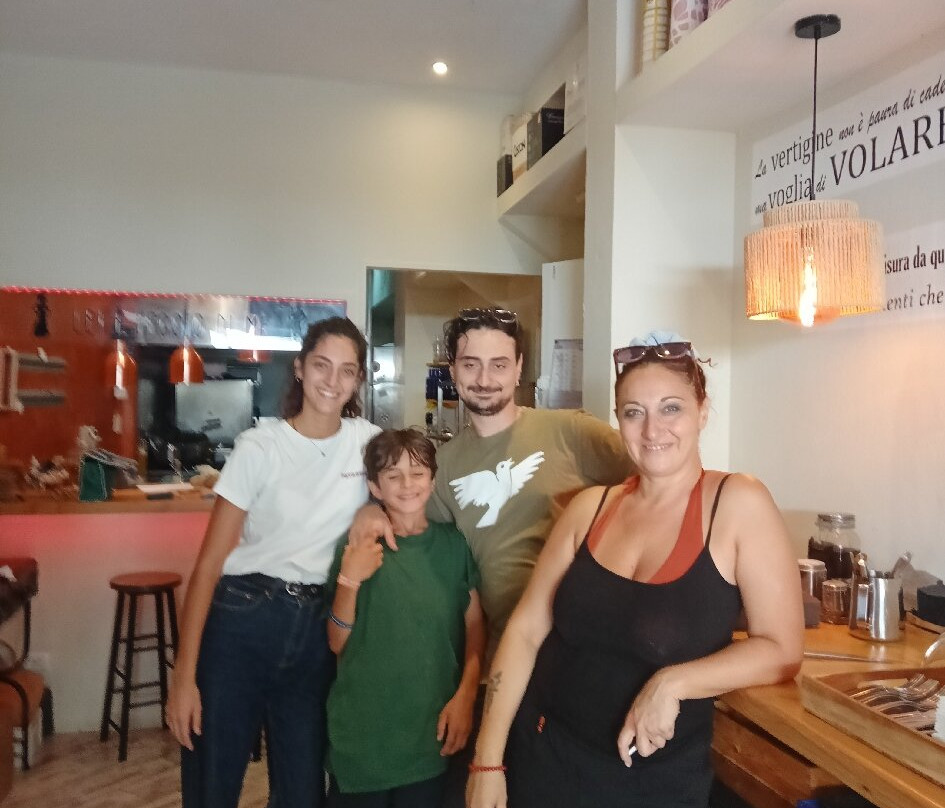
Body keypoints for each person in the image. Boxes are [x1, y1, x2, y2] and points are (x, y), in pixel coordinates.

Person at [466, 332, 804, 808]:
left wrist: (673, 683)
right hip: (543, 756)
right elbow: (524, 633)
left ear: (702, 412)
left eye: (671, 408)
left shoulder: (738, 503)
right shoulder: (589, 509)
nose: (652, 430)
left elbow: (782, 650)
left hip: (651, 782)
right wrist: (486, 762)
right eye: (633, 412)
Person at [349, 307, 633, 806]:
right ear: (453, 370)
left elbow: (656, 488)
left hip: (582, 659)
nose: (485, 378)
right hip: (503, 665)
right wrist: (370, 512)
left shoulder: (572, 432)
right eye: (471, 364)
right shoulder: (443, 467)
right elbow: (416, 533)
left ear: (519, 367)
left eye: (499, 364)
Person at [167, 316, 381, 808]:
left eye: (347, 370)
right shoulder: (260, 447)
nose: (332, 380)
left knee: (303, 793)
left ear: (357, 381)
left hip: (316, 634)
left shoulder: (368, 442)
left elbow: (407, 487)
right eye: (322, 365)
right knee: (213, 785)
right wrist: (184, 676)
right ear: (300, 369)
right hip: (242, 621)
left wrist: (373, 511)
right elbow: (208, 565)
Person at [324, 428, 485, 807]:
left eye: (417, 473)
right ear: (375, 488)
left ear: (432, 480)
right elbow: (336, 641)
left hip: (429, 736)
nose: (407, 484)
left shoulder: (453, 544)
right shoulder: (357, 545)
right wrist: (349, 580)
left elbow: (476, 626)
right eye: (393, 476)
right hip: (363, 739)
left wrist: (466, 694)